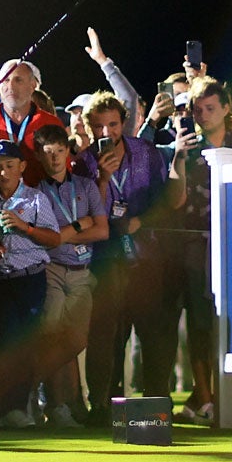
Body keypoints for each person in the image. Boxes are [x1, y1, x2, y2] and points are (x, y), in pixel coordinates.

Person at [168, 77, 232, 425]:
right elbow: (175, 200)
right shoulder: (186, 148)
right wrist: (177, 155)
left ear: (227, 108)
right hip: (195, 241)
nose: (204, 115)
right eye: (198, 110)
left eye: (211, 108)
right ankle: (206, 397)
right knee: (199, 319)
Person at [73, 90, 168, 426]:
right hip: (105, 258)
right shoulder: (83, 162)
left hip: (146, 255)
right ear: (89, 127)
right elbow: (85, 212)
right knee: (105, 335)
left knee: (152, 334)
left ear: (123, 123)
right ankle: (102, 408)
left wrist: (142, 220)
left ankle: (154, 415)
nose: (106, 133)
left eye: (112, 125)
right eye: (99, 127)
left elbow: (164, 200)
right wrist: (102, 178)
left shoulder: (145, 152)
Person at [32, 124, 108, 429]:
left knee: (76, 339)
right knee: (50, 336)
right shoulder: (36, 193)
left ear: (68, 151)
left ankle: (27, 386)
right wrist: (79, 227)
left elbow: (102, 230)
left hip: (82, 271)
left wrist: (61, 235)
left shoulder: (86, 186)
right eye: (47, 153)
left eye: (59, 151)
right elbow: (46, 240)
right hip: (50, 268)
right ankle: (55, 405)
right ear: (38, 156)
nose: (54, 159)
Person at [0, 140, 59, 427]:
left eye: (9, 166)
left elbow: (54, 238)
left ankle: (19, 408)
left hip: (30, 279)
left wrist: (25, 227)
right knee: (1, 346)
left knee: (23, 345)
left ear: (22, 167)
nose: (3, 173)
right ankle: (2, 409)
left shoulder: (35, 199)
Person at [0, 60, 64, 193]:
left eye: (18, 80)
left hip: (43, 208)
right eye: (5, 80)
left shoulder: (51, 124)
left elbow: (64, 177)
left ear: (33, 85)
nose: (10, 86)